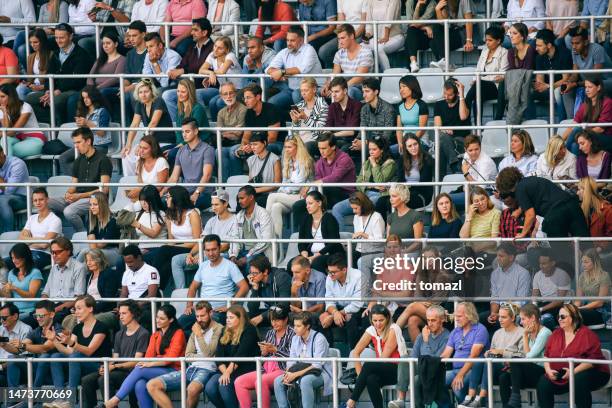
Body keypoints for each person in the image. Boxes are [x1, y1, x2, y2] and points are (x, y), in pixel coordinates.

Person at [103, 304, 186, 408]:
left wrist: (151, 363)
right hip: (159, 368)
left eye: (162, 318)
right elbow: (148, 357)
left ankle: (115, 400)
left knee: (140, 368)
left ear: (171, 320)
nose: (157, 320)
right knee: (139, 384)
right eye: (157, 317)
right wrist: (151, 362)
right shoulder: (155, 335)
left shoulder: (178, 333)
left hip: (175, 370)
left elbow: (170, 359)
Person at [147, 300, 223, 408]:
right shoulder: (196, 327)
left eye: (203, 316)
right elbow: (188, 355)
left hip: (208, 369)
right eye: (197, 316)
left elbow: (208, 353)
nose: (199, 320)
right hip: (190, 368)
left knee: (192, 389)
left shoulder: (218, 329)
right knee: (152, 385)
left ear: (210, 313)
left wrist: (199, 335)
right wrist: (202, 356)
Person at [536, 303, 610, 408]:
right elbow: (547, 356)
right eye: (558, 317)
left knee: (578, 379)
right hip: (563, 373)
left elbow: (593, 360)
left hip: (591, 371)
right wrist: (548, 370)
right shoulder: (556, 334)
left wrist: (572, 371)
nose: (559, 319)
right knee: (543, 382)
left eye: (563, 316)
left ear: (574, 316)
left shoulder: (587, 334)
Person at [81, 300, 150, 408]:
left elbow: (136, 361)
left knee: (104, 379)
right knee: (87, 380)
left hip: (132, 373)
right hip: (117, 370)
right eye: (119, 313)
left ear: (133, 313)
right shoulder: (119, 334)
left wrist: (113, 366)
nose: (120, 316)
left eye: (124, 313)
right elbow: (115, 357)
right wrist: (106, 367)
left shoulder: (143, 333)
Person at [25, 23, 93, 125]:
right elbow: (49, 75)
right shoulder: (55, 53)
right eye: (56, 37)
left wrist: (57, 91)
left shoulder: (81, 54)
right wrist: (48, 90)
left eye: (61, 38)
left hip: (72, 90)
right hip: (54, 90)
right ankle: (53, 123)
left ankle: (59, 126)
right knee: (29, 99)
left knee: (55, 101)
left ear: (70, 36)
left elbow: (77, 81)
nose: (58, 40)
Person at [496, 166, 590, 238]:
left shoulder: (519, 189)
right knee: (585, 244)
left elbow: (530, 214)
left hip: (557, 213)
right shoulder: (531, 181)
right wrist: (519, 211)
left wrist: (522, 233)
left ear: (507, 187)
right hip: (572, 204)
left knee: (561, 250)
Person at [171, 190, 239, 289]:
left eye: (217, 204)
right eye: (212, 205)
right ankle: (181, 292)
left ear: (226, 204)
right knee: (176, 260)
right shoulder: (211, 221)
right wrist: (191, 254)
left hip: (224, 254)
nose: (213, 208)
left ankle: (204, 292)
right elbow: (202, 241)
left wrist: (202, 254)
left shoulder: (235, 220)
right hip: (206, 253)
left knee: (202, 259)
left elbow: (227, 245)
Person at [49, 127, 112, 232]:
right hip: (78, 197)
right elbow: (73, 185)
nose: (76, 146)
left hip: (96, 199)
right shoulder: (78, 160)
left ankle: (83, 234)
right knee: (46, 202)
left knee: (69, 211)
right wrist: (68, 194)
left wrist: (79, 196)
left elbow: (104, 190)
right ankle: (54, 233)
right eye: (74, 143)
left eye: (78, 142)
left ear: (88, 141)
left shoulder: (103, 160)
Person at [180, 234, 248, 329]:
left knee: (207, 326)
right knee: (178, 324)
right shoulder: (203, 266)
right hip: (201, 309)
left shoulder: (230, 266)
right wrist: (189, 305)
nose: (211, 253)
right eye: (208, 250)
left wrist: (230, 305)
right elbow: (193, 286)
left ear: (220, 248)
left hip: (219, 312)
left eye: (214, 249)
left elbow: (244, 287)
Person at [48, 295, 112, 393]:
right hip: (81, 363)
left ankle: (70, 398)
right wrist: (54, 340)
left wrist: (71, 342)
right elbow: (69, 351)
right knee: (56, 356)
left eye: (79, 308)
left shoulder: (101, 327)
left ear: (90, 308)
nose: (76, 312)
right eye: (75, 309)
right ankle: (59, 396)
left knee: (76, 356)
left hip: (99, 366)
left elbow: (89, 351)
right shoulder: (77, 328)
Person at [345, 304, 406, 408]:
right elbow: (356, 352)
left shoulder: (394, 328)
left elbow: (384, 358)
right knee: (370, 379)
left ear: (387, 318)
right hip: (382, 371)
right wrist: (361, 377)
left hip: (398, 370)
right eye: (375, 320)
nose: (377, 324)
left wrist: (361, 379)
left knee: (369, 365)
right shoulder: (371, 330)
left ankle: (352, 400)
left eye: (381, 320)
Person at [390, 305, 450, 408]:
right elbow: (414, 356)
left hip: (436, 370)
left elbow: (434, 360)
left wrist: (426, 341)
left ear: (442, 320)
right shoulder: (422, 334)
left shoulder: (447, 336)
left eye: (433, 320)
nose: (430, 324)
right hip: (422, 367)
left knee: (417, 379)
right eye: (428, 320)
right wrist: (424, 338)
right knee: (405, 358)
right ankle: (401, 399)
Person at [292, 132, 356, 228]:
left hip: (344, 195)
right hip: (325, 195)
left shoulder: (344, 159)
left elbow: (334, 178)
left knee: (325, 189)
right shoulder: (319, 162)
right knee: (298, 206)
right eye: (319, 148)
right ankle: (302, 238)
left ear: (333, 147)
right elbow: (319, 182)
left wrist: (311, 184)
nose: (321, 151)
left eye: (324, 148)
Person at [235, 306, 295, 408]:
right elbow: (264, 355)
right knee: (239, 382)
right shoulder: (270, 333)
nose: (274, 323)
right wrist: (264, 352)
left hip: (284, 368)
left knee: (260, 381)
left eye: (277, 320)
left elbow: (294, 356)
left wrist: (275, 350)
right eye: (272, 320)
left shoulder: (293, 333)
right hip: (267, 368)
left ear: (285, 320)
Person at [332, 136, 396, 230]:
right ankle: (344, 239)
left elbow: (380, 181)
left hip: (379, 195)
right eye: (370, 149)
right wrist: (370, 186)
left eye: (374, 149)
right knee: (337, 208)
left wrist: (374, 164)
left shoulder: (390, 163)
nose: (371, 152)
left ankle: (365, 236)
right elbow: (358, 183)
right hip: (364, 194)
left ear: (382, 150)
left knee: (366, 205)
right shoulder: (367, 163)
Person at [144, 186, 201, 290]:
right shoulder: (169, 215)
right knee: (150, 258)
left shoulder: (192, 214)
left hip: (190, 248)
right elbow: (171, 240)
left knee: (164, 249)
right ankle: (157, 289)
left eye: (168, 196)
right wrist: (171, 248)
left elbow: (197, 241)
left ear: (176, 198)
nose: (166, 199)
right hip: (173, 249)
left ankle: (149, 283)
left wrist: (173, 247)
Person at [273, 311, 332, 408]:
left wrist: (294, 375)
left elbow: (317, 365)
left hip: (320, 373)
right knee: (278, 381)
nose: (295, 328)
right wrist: (288, 374)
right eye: (294, 325)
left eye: (298, 326)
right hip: (300, 371)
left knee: (305, 381)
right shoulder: (295, 338)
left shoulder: (319, 339)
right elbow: (291, 360)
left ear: (307, 326)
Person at [395, 246, 455, 341]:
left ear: (437, 258)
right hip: (428, 310)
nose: (429, 261)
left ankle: (391, 336)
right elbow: (417, 297)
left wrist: (421, 302)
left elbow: (436, 302)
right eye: (425, 258)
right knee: (412, 321)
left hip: (443, 313)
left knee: (412, 307)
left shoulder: (442, 275)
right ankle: (421, 353)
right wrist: (422, 302)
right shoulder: (422, 273)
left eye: (431, 257)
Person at [204, 305, 259, 408]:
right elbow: (219, 356)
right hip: (227, 370)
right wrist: (226, 373)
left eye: (231, 317)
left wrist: (227, 373)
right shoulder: (225, 330)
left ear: (240, 318)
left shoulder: (249, 330)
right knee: (210, 387)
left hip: (245, 369)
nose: (228, 320)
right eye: (227, 317)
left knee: (224, 385)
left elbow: (240, 355)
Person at [498, 303, 552, 408]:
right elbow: (527, 356)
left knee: (515, 360)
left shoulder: (545, 333)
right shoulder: (530, 332)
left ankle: (515, 400)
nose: (521, 322)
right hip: (530, 370)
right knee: (503, 377)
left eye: (523, 319)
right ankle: (509, 406)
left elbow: (529, 357)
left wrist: (524, 335)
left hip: (542, 372)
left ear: (532, 318)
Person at [163, 18, 214, 123]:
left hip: (209, 88)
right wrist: (177, 71)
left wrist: (183, 71)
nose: (192, 33)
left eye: (195, 30)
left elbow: (202, 68)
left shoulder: (213, 48)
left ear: (204, 32)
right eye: (192, 30)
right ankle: (178, 126)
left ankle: (199, 126)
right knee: (167, 95)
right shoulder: (191, 47)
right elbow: (182, 65)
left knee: (196, 94)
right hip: (190, 87)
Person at [122, 78, 176, 176]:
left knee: (141, 153)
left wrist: (142, 145)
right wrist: (128, 144)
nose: (143, 94)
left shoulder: (158, 101)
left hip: (164, 141)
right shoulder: (140, 104)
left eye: (146, 91)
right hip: (150, 141)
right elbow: (134, 125)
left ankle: (143, 182)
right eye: (140, 92)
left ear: (151, 91)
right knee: (127, 155)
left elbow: (153, 124)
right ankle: (130, 183)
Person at [5, 300, 63, 389]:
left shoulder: (58, 329)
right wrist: (3, 345)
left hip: (54, 374)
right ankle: (13, 396)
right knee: (12, 359)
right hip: (38, 372)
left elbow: (45, 348)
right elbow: (18, 350)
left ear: (51, 315)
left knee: (45, 357)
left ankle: (34, 394)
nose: (38, 319)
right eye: (36, 316)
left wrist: (23, 346)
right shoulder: (37, 330)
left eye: (41, 316)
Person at [440, 302, 490, 403]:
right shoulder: (455, 331)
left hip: (472, 370)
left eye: (459, 316)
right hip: (455, 370)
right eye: (455, 316)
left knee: (457, 387)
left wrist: (461, 374)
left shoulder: (480, 329)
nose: (456, 319)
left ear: (469, 315)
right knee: (435, 381)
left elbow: (474, 355)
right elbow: (445, 354)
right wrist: (433, 369)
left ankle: (467, 405)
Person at [266, 134, 314, 238]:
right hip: (290, 196)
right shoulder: (288, 160)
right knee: (275, 207)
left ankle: (264, 230)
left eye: (290, 147)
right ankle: (275, 243)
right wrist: (283, 190)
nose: (286, 150)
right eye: (285, 147)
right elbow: (284, 182)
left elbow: (297, 186)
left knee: (272, 196)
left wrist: (284, 191)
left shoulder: (305, 161)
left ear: (298, 147)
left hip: (303, 197)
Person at [58, 85, 112, 175]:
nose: (85, 100)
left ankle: (82, 181)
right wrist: (80, 126)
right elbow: (83, 134)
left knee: (81, 162)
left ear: (94, 97)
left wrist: (87, 123)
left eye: (88, 97)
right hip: (84, 144)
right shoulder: (84, 112)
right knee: (63, 158)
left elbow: (102, 133)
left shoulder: (102, 112)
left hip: (99, 146)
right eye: (83, 98)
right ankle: (77, 182)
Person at [164, 118, 216, 210]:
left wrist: (197, 193)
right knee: (161, 202)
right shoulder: (181, 150)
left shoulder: (207, 149)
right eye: (183, 132)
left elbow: (207, 175)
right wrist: (162, 192)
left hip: (205, 193)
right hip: (185, 192)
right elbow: (174, 177)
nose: (184, 134)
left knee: (185, 205)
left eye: (187, 131)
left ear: (196, 131)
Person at [265, 25, 323, 107]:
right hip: (292, 89)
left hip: (313, 88)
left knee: (296, 94)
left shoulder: (309, 49)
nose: (289, 43)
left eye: (292, 40)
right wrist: (278, 74)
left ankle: (302, 119)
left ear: (301, 40)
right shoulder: (284, 52)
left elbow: (302, 69)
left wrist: (282, 72)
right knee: (272, 102)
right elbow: (268, 69)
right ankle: (285, 119)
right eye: (287, 40)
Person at [377, 135, 433, 219]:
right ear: (406, 148)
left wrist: (405, 188)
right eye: (410, 146)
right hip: (404, 192)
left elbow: (424, 184)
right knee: (381, 202)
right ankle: (383, 229)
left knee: (393, 202)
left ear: (419, 144)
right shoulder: (402, 159)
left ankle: (398, 228)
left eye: (415, 144)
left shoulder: (427, 159)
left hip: (420, 194)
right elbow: (400, 180)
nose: (413, 148)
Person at [480, 243, 531, 332]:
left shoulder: (523, 274)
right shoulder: (495, 273)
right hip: (501, 311)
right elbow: (495, 298)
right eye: (497, 256)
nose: (497, 259)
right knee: (477, 320)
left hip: (517, 313)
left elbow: (521, 302)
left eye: (501, 256)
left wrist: (502, 314)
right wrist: (493, 313)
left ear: (511, 257)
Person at [230, 84, 282, 168]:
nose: (245, 101)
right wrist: (243, 147)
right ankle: (237, 179)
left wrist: (252, 146)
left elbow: (272, 138)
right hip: (256, 144)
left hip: (275, 144)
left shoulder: (271, 110)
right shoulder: (249, 112)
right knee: (232, 151)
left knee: (263, 148)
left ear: (258, 97)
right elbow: (246, 136)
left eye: (248, 97)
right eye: (244, 98)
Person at [319, 253, 364, 348]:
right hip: (339, 308)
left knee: (350, 320)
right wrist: (334, 313)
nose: (330, 275)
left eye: (334, 272)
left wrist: (336, 314)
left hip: (360, 309)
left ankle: (353, 355)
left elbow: (356, 304)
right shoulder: (330, 277)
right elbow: (329, 301)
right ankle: (328, 354)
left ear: (344, 270)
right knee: (323, 318)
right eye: (329, 271)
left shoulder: (358, 276)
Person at [465, 25, 508, 123]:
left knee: (477, 87)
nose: (487, 43)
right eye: (486, 40)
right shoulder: (484, 51)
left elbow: (500, 77)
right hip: (482, 86)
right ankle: (477, 126)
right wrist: (475, 79)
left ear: (498, 41)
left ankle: (467, 122)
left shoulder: (504, 52)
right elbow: (478, 69)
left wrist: (480, 80)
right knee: (477, 96)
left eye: (490, 40)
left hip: (496, 88)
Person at [321, 23, 373, 101]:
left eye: (342, 38)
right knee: (321, 92)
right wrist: (328, 85)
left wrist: (340, 89)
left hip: (363, 88)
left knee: (349, 91)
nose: (340, 41)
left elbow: (359, 78)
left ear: (352, 36)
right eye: (339, 39)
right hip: (346, 85)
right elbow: (335, 75)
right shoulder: (339, 53)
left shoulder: (365, 53)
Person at [41, 237, 87, 324]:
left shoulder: (79, 268)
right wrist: (43, 307)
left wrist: (55, 309)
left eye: (58, 252)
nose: (54, 255)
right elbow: (45, 293)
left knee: (49, 320)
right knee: (31, 319)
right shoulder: (54, 268)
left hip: (68, 307)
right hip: (51, 306)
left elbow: (78, 297)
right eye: (52, 252)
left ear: (68, 251)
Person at [13, 188, 61, 272]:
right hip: (28, 252)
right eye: (35, 200)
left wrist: (28, 243)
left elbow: (44, 245)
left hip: (45, 254)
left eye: (41, 199)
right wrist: (39, 240)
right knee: (5, 262)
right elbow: (21, 238)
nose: (38, 203)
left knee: (27, 265)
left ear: (47, 200)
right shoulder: (31, 218)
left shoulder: (55, 220)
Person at [532, 29, 575, 123]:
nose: (536, 48)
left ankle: (562, 124)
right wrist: (542, 85)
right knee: (527, 92)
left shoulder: (564, 54)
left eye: (539, 45)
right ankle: (532, 124)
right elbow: (539, 80)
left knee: (558, 92)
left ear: (549, 45)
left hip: (562, 88)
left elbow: (565, 79)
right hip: (547, 89)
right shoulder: (539, 57)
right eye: (536, 45)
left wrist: (549, 86)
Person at [496, 23, 536, 120]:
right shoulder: (511, 51)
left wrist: (508, 77)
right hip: (516, 81)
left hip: (528, 81)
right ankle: (498, 118)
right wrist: (506, 77)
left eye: (514, 33)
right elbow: (511, 71)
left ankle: (527, 119)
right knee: (502, 84)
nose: (511, 36)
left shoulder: (530, 49)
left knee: (522, 89)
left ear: (522, 36)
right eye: (510, 33)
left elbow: (527, 70)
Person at [564, 76, 612, 155]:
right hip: (589, 137)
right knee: (574, 146)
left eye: (590, 87)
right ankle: (575, 166)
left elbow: (600, 129)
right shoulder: (585, 104)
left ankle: (562, 153)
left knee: (578, 130)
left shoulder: (608, 102)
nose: (586, 90)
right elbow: (572, 125)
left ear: (598, 87)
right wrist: (559, 140)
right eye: (586, 87)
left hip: (606, 139)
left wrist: (582, 133)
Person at [197, 35, 242, 119]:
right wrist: (210, 73)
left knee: (218, 102)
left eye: (220, 48)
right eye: (215, 46)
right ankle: (216, 128)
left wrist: (212, 73)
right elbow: (201, 70)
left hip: (238, 90)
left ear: (226, 50)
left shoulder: (230, 56)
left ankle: (226, 126)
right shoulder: (212, 55)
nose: (215, 50)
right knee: (211, 102)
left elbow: (222, 71)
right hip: (223, 90)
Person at [299, 191, 344, 273]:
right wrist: (304, 254)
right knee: (293, 264)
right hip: (310, 255)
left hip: (329, 254)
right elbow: (301, 241)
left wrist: (316, 255)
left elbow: (333, 242)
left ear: (319, 203)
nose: (307, 206)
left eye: (310, 203)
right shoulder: (305, 219)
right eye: (306, 204)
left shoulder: (330, 219)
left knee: (316, 263)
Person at [434, 78, 471, 176]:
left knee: (441, 144)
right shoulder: (439, 104)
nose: (446, 97)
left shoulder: (464, 102)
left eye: (450, 95)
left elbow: (463, 116)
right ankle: (455, 165)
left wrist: (462, 95)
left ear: (457, 94)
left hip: (461, 139)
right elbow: (438, 126)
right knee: (442, 139)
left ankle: (440, 181)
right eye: (445, 93)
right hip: (445, 138)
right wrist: (445, 130)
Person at [233, 185, 275, 269]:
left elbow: (265, 241)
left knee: (250, 263)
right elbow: (234, 237)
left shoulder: (263, 214)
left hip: (260, 253)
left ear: (251, 197)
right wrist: (233, 255)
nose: (239, 201)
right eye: (238, 199)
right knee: (226, 260)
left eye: (242, 198)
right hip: (242, 252)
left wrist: (247, 256)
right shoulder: (239, 216)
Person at [0, 83, 46, 159]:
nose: (0, 100)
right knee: (5, 141)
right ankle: (9, 169)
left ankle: (8, 169)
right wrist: (5, 113)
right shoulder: (2, 109)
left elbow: (12, 132)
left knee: (5, 151)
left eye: (2, 96)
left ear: (11, 97)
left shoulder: (25, 107)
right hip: (17, 140)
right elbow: (6, 130)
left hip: (34, 140)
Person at [564, 27, 612, 98]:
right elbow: (575, 75)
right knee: (566, 91)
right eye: (572, 43)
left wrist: (575, 84)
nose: (574, 46)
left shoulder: (597, 49)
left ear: (586, 42)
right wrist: (568, 82)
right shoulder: (574, 51)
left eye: (577, 43)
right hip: (587, 84)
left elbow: (596, 78)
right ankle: (574, 110)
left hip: (605, 81)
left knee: (592, 88)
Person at [453, 135, 497, 211]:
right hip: (472, 190)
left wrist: (466, 174)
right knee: (443, 199)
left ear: (480, 147)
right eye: (470, 150)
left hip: (488, 192)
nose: (474, 153)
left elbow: (479, 189)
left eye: (477, 149)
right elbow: (469, 183)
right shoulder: (466, 156)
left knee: (448, 199)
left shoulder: (485, 162)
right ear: (465, 150)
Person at [0, 243, 43, 323]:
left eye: (16, 258)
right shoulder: (11, 273)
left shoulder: (35, 273)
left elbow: (31, 295)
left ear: (25, 257)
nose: (14, 261)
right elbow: (8, 296)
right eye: (12, 258)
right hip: (14, 312)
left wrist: (15, 288)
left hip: (31, 312)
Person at [126, 137, 170, 212]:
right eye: (140, 147)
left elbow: (160, 187)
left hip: (159, 196)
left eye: (145, 148)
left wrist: (140, 191)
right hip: (145, 196)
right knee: (128, 208)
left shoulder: (161, 162)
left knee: (132, 208)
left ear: (153, 149)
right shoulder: (139, 162)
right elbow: (140, 184)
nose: (141, 151)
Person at [246, 255, 291, 326]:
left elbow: (284, 305)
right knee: (246, 316)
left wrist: (261, 317)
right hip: (271, 312)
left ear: (265, 272)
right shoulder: (258, 281)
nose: (251, 276)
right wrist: (255, 289)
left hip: (285, 313)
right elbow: (252, 309)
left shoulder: (281, 277)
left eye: (255, 273)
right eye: (251, 273)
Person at [532, 249, 572, 330]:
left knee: (545, 319)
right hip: (544, 305)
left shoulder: (562, 275)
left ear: (553, 263)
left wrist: (541, 309)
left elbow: (559, 301)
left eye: (544, 264)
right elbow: (534, 296)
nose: (541, 266)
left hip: (561, 307)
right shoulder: (537, 275)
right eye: (540, 263)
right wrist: (533, 307)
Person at [290, 77, 329, 157]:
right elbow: (295, 132)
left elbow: (320, 131)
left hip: (315, 141)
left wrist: (305, 118)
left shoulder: (322, 105)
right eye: (301, 91)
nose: (303, 93)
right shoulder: (299, 105)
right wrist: (295, 122)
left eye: (306, 90)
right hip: (299, 141)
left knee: (306, 147)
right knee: (287, 147)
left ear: (314, 90)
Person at [171, 79, 211, 156]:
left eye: (183, 92)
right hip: (185, 143)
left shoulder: (198, 108)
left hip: (198, 143)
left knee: (172, 154)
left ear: (190, 93)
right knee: (161, 152)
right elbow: (179, 132)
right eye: (178, 91)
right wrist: (178, 146)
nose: (179, 94)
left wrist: (178, 148)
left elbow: (193, 133)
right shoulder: (179, 109)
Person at [80, 191, 121, 267]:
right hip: (96, 252)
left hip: (113, 252)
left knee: (85, 252)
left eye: (95, 204)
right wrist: (94, 244)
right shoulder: (91, 220)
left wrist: (94, 244)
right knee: (85, 263)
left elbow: (101, 244)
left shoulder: (113, 221)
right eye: (90, 204)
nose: (92, 207)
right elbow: (92, 244)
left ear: (103, 205)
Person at [217, 81, 248, 181]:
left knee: (232, 151)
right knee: (218, 151)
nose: (229, 96)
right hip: (225, 144)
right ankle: (224, 184)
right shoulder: (221, 112)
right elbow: (219, 133)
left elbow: (239, 134)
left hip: (241, 142)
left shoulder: (243, 109)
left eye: (231, 93)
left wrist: (226, 132)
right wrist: (233, 130)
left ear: (235, 93)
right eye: (225, 94)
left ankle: (237, 183)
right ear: (221, 96)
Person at [363, 0, 404, 71]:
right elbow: (369, 23)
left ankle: (387, 75)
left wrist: (385, 36)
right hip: (377, 39)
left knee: (379, 48)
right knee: (361, 47)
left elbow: (389, 19)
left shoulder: (395, 1)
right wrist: (367, 36)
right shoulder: (370, 1)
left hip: (395, 37)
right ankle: (368, 77)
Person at [574, 248, 611, 326]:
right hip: (587, 308)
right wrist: (573, 309)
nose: (583, 265)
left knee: (576, 315)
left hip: (601, 311)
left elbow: (600, 303)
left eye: (586, 262)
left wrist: (580, 309)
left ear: (595, 262)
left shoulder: (604, 276)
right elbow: (578, 300)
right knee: (566, 313)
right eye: (582, 262)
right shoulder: (582, 277)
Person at [324, 77, 362, 151]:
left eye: (336, 91)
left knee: (342, 149)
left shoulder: (357, 105)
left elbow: (352, 131)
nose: (333, 95)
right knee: (310, 145)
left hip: (351, 142)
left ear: (345, 91)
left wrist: (333, 135)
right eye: (332, 92)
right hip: (335, 140)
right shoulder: (332, 106)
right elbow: (328, 127)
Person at [297, 0, 338, 68]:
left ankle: (319, 73)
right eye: (302, 2)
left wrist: (313, 37)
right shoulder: (302, 3)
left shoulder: (328, 1)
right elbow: (302, 25)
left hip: (327, 35)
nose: (304, 4)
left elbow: (332, 28)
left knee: (310, 46)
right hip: (308, 35)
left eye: (306, 1)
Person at [460, 186, 501, 254]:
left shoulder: (496, 213)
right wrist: (469, 217)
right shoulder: (471, 215)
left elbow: (494, 241)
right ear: (472, 203)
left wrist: (476, 248)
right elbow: (463, 237)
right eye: (476, 201)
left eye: (482, 199)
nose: (481, 203)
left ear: (487, 198)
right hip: (470, 251)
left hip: (486, 252)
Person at [16, 28, 54, 101]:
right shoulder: (30, 57)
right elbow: (31, 79)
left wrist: (42, 87)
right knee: (20, 88)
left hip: (45, 88)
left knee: (30, 95)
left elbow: (55, 79)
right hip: (33, 87)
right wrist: (28, 83)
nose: (32, 45)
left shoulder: (51, 55)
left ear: (42, 42)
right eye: (31, 42)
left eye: (35, 42)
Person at [86, 31, 126, 99]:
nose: (105, 46)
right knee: (76, 97)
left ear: (116, 44)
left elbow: (116, 79)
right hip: (95, 88)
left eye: (108, 43)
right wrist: (91, 87)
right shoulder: (100, 59)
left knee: (101, 93)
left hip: (110, 88)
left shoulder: (122, 59)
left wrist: (98, 88)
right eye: (103, 43)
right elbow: (90, 76)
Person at [246, 132, 282, 208]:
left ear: (264, 143)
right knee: (241, 199)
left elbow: (277, 184)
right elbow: (251, 181)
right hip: (255, 193)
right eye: (251, 144)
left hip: (270, 194)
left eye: (255, 144)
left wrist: (258, 190)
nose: (252, 147)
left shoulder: (275, 159)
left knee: (255, 202)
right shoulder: (250, 159)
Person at [359, 77, 396, 150]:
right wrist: (358, 140)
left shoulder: (388, 109)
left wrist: (366, 143)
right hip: (368, 143)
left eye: (367, 91)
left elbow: (386, 136)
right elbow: (362, 128)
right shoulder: (364, 109)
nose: (364, 95)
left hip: (383, 145)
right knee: (348, 148)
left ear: (376, 92)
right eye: (363, 92)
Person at [577, 177, 612, 253]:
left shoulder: (607, 209)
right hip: (585, 252)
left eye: (579, 189)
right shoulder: (579, 209)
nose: (577, 193)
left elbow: (610, 235)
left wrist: (600, 249)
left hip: (603, 252)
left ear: (587, 191)